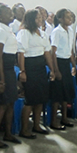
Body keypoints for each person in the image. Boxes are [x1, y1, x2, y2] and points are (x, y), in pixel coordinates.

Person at [16, 9, 55, 138]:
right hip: (29, 66)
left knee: (40, 98)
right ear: (30, 19)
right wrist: (22, 71)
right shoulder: (24, 33)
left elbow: (47, 53)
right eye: (37, 18)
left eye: (41, 18)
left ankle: (37, 125)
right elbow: (21, 53)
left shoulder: (43, 34)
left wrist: (52, 69)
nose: (40, 20)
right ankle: (24, 129)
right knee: (30, 100)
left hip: (40, 66)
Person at [0, 4, 21, 147]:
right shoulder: (0, 31)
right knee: (3, 104)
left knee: (11, 102)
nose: (11, 14)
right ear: (0, 16)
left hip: (9, 68)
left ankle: (8, 133)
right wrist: (1, 79)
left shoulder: (9, 30)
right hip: (3, 69)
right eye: (7, 12)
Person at [50, 9, 77, 129]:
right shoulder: (57, 31)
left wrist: (74, 65)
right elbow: (53, 53)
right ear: (60, 19)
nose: (69, 19)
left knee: (66, 93)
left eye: (70, 17)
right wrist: (56, 70)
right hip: (59, 63)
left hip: (67, 62)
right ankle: (54, 120)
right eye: (67, 17)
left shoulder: (70, 30)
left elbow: (70, 50)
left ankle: (64, 117)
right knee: (57, 94)